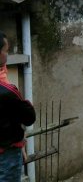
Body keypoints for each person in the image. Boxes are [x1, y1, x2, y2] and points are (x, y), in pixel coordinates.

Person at [0, 30, 36, 182]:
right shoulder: (7, 91)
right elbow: (29, 117)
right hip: (6, 154)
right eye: (6, 50)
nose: (7, 55)